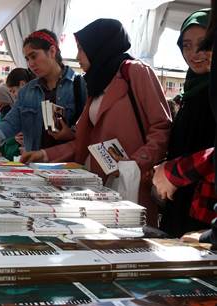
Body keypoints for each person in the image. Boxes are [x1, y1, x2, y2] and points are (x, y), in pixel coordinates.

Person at [21, 19, 172, 226]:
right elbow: (85, 141)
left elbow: (162, 128)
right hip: (101, 188)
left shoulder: (135, 72)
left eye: (81, 49)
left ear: (98, 46)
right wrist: (45, 155)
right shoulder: (97, 82)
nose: (77, 56)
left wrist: (135, 163)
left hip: (132, 185)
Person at [0, 29, 87, 153]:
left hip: (69, 166)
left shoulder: (79, 84)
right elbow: (11, 121)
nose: (30, 64)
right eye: (27, 59)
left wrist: (71, 134)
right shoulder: (27, 91)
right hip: (34, 166)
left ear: (52, 51)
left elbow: (91, 130)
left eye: (34, 56)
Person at [151, 9, 216, 238]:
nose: (195, 53)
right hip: (179, 199)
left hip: (205, 210)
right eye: (186, 45)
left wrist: (174, 171)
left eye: (205, 43)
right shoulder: (190, 93)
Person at [0, 85, 20, 161]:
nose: (0, 108)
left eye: (3, 105)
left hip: (18, 156)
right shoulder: (1, 116)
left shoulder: (18, 114)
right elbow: (1, 137)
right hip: (6, 158)